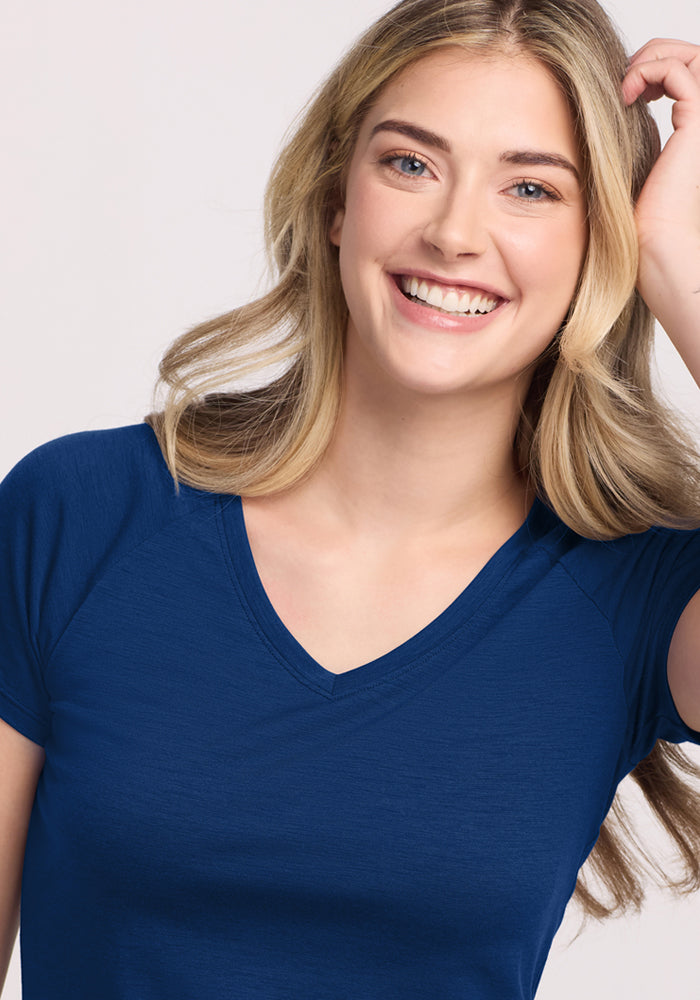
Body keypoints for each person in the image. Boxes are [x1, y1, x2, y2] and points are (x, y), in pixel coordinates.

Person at [1, 0, 700, 996]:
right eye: (409, 164)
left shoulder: (638, 594)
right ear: (337, 198)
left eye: (533, 189)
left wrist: (678, 258)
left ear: (604, 245)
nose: (455, 232)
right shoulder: (77, 515)